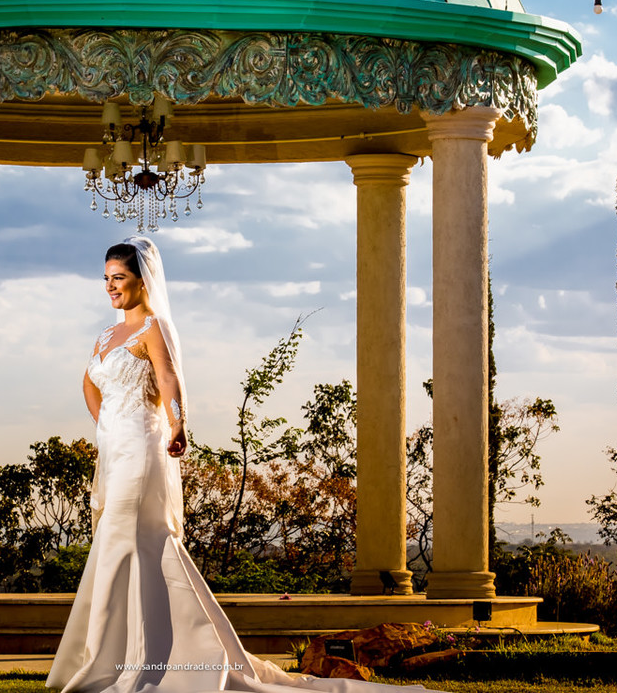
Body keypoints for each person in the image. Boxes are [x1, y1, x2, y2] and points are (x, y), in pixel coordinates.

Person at [46, 237, 442, 693]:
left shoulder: (154, 327)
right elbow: (89, 383)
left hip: (142, 448)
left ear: (142, 280)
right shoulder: (104, 335)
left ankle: (151, 660)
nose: (111, 288)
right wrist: (106, 423)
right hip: (114, 447)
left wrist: (178, 424)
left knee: (135, 538)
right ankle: (115, 656)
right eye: (107, 280)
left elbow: (171, 378)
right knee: (121, 543)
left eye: (120, 278)